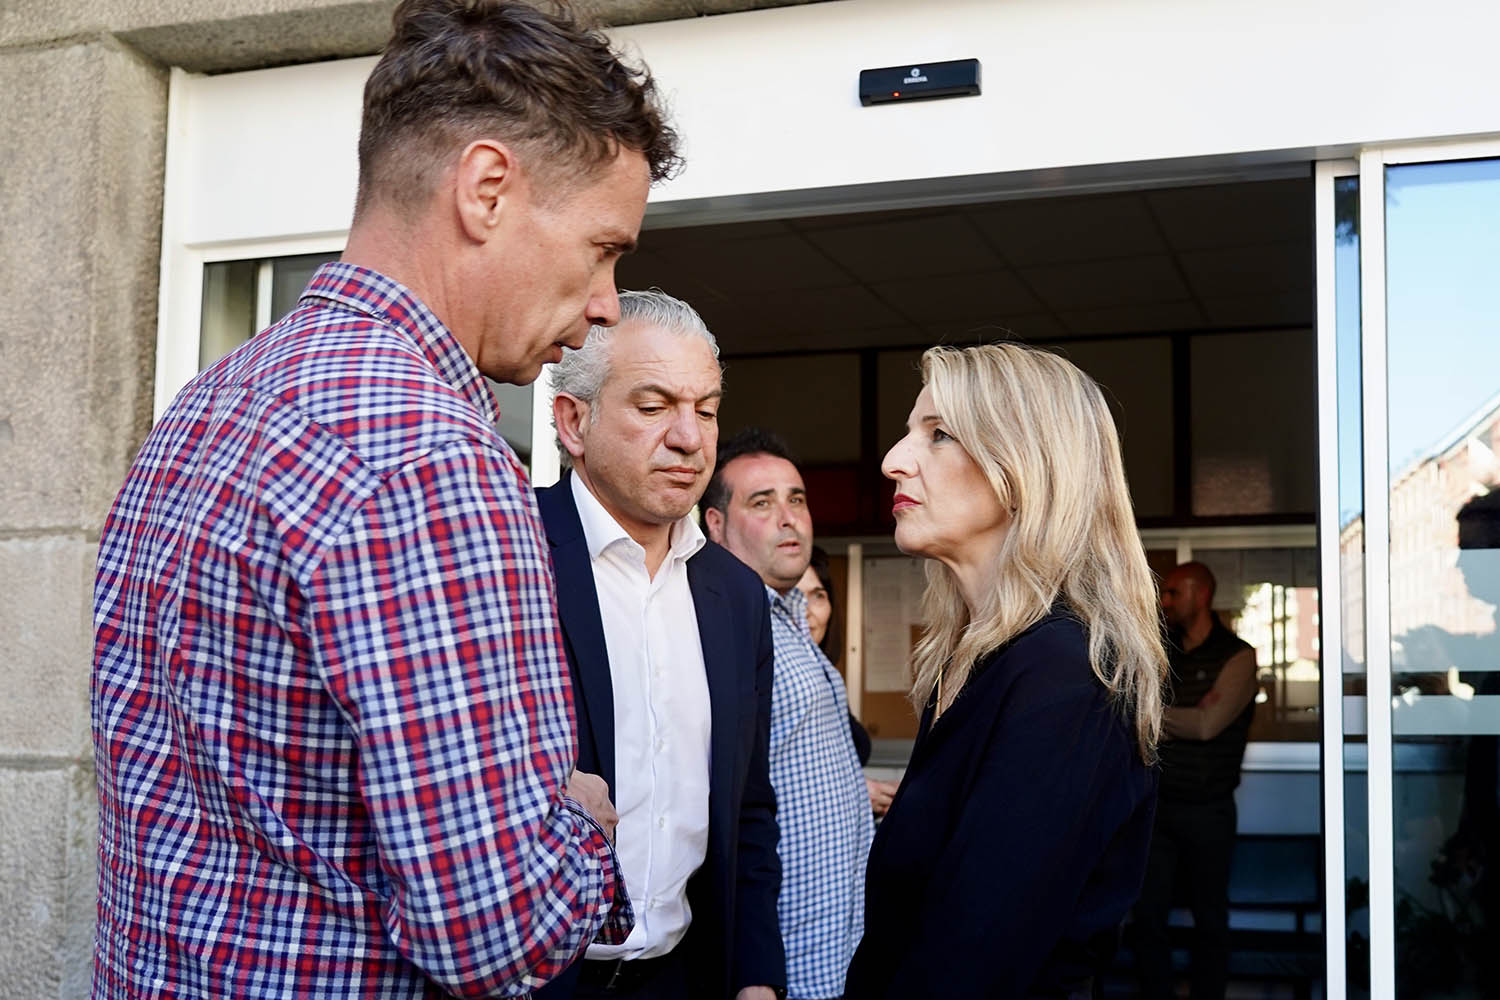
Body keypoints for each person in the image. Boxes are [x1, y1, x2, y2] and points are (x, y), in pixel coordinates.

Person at [90, 3, 681, 997]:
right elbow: (491, 934)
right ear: (487, 188)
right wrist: (580, 822)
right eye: (603, 247)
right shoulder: (430, 459)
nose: (606, 303)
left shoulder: (208, 403)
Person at [843, 343, 1166, 999]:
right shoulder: (972, 658)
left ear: (1021, 468)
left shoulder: (1065, 675)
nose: (893, 460)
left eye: (937, 435)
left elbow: (976, 957)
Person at [534, 291, 784, 1000]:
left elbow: (749, 809)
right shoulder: (507, 554)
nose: (690, 437)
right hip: (538, 981)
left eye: (705, 409)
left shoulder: (736, 595)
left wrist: (758, 979)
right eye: (653, 407)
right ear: (573, 421)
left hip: (687, 976)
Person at [701, 429, 876, 1000]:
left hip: (844, 950)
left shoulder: (793, 621)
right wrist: (754, 972)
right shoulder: (720, 632)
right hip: (784, 962)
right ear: (716, 525)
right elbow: (724, 814)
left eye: (796, 498)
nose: (788, 517)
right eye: (762, 501)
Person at [1134, 562, 1258, 1000]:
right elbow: (1131, 706)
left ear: (1201, 595)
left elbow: (1208, 725)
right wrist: (1179, 716)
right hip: (1159, 808)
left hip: (1209, 811)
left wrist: (1155, 717)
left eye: (1173, 593)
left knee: (1209, 918)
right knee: (1147, 918)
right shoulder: (1161, 652)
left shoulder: (1237, 655)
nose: (1164, 601)